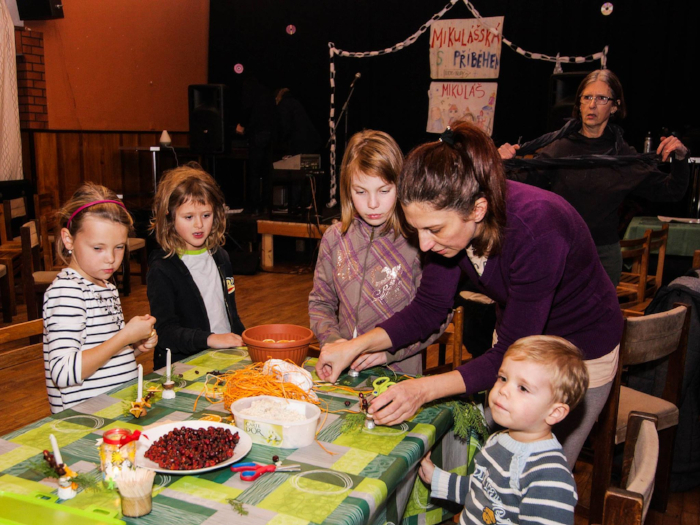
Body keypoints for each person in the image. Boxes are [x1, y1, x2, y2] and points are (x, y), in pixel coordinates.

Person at [316, 121, 623, 468]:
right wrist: (354, 346)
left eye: (434, 230)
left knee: (534, 475)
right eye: (417, 229)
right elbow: (428, 309)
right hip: (515, 344)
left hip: (578, 352)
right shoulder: (447, 225)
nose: (424, 244)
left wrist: (422, 389)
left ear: (477, 210)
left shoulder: (538, 229)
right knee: (491, 467)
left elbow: (508, 353)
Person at [499, 69, 689, 285]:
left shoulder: (623, 156)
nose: (592, 105)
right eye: (587, 97)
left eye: (601, 98)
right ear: (578, 103)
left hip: (603, 258)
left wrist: (681, 158)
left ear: (615, 106)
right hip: (562, 252)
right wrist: (502, 164)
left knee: (598, 319)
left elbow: (672, 191)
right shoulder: (559, 148)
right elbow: (517, 186)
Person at [309, 130, 449, 375]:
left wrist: (390, 351)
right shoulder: (334, 238)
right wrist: (333, 342)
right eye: (360, 192)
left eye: (384, 191)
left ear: (401, 185)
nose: (372, 204)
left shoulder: (421, 242)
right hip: (341, 372)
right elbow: (321, 302)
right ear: (347, 191)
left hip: (399, 375)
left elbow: (437, 317)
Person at [420, 335, 588, 525]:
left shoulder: (550, 478)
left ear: (554, 412)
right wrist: (437, 478)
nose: (503, 389)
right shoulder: (499, 439)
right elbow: (482, 489)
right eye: (503, 378)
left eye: (523, 388)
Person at [44, 183, 158, 413]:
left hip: (114, 411)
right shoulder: (67, 292)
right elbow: (64, 373)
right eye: (98, 248)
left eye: (118, 247)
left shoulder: (105, 286)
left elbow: (100, 353)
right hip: (84, 422)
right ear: (68, 239)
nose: (111, 259)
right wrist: (124, 336)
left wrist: (133, 346)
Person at [147, 163, 245, 369]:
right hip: (184, 367)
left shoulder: (222, 258)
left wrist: (247, 339)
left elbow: (230, 315)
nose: (199, 225)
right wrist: (209, 339)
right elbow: (165, 333)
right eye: (189, 217)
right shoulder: (162, 269)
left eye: (206, 215)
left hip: (226, 358)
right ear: (169, 217)